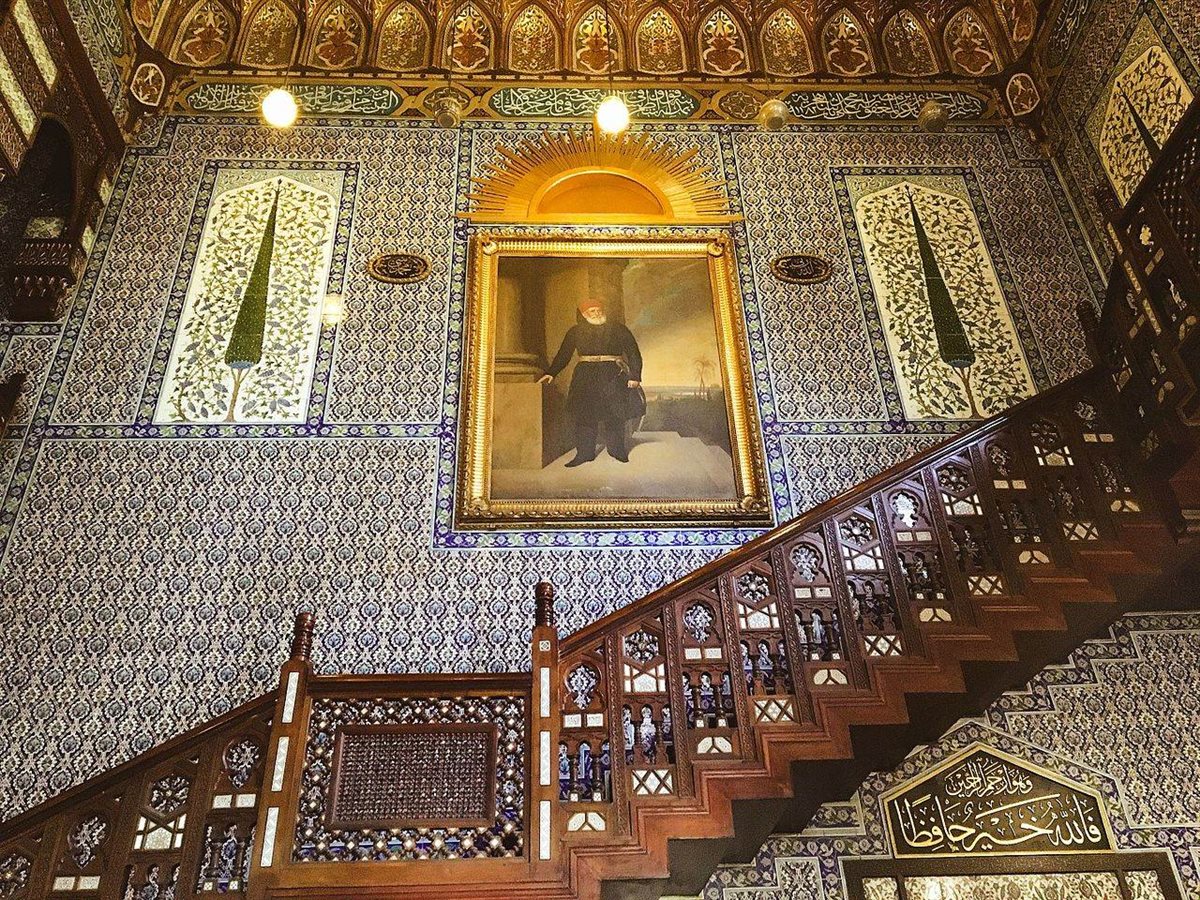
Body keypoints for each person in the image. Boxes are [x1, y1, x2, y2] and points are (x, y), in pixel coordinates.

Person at [539, 298, 642, 466]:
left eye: (598, 309)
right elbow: (564, 354)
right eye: (592, 311)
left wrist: (635, 376)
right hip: (585, 376)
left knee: (615, 413)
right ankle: (584, 454)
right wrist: (551, 373)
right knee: (584, 415)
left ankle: (617, 451)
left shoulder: (618, 329)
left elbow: (633, 352)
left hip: (613, 374)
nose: (596, 313)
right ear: (584, 314)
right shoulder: (575, 332)